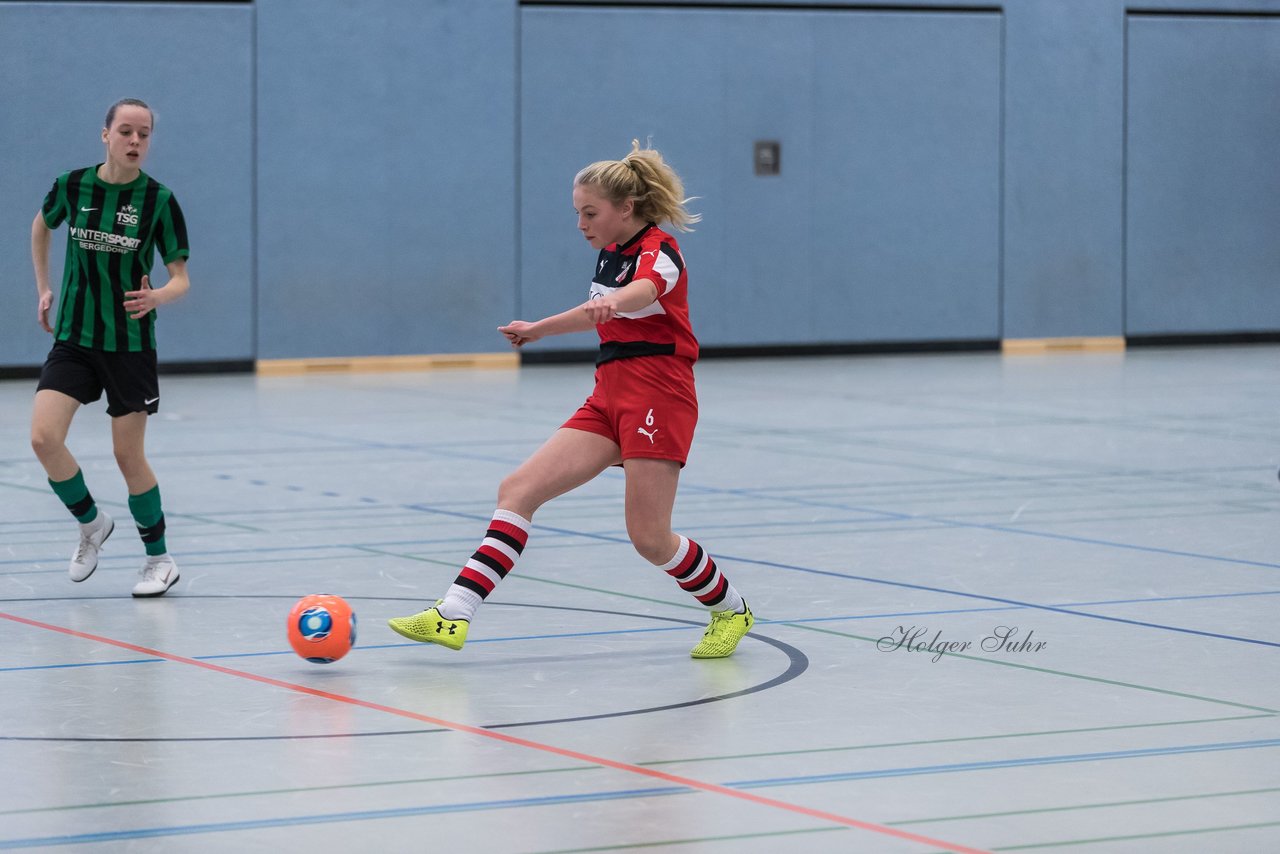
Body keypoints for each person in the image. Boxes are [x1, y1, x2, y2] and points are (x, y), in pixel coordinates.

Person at [389, 140, 753, 658]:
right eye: (577, 213)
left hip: (659, 395)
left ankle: (731, 610)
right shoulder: (609, 255)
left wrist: (615, 302)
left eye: (591, 212)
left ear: (625, 208)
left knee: (650, 539)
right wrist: (537, 330)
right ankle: (453, 614)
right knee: (517, 489)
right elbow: (596, 311)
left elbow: (645, 291)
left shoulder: (660, 249)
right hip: (610, 392)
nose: (581, 223)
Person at [29, 98, 190, 597]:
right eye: (126, 131)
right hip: (75, 337)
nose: (135, 141)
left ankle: (160, 559)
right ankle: (92, 525)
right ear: (105, 135)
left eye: (143, 133)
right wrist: (44, 287)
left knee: (128, 456)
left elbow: (181, 277)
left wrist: (158, 294)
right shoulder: (71, 185)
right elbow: (41, 226)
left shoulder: (159, 201)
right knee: (43, 438)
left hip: (129, 344)